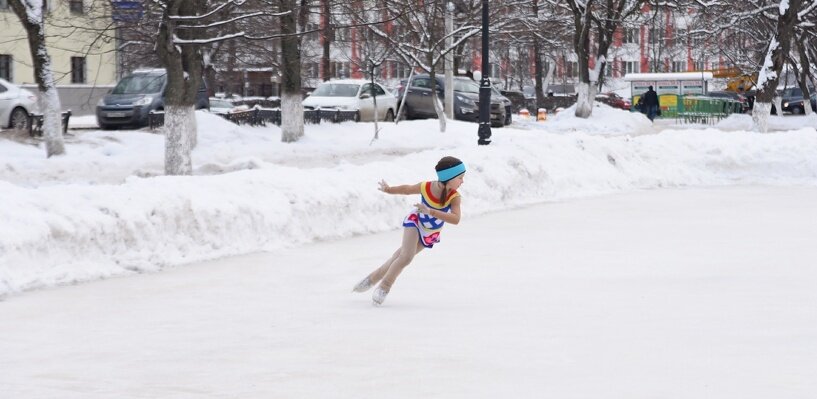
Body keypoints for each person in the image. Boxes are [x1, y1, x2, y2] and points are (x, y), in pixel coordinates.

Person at [352, 156, 466, 306]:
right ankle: (385, 286)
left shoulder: (454, 197)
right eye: (460, 178)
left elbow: (456, 219)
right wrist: (388, 189)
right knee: (406, 256)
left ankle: (373, 277)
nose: (462, 181)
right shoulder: (426, 187)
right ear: (448, 177)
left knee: (398, 256)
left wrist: (431, 212)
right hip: (416, 221)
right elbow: (407, 189)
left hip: (430, 232)